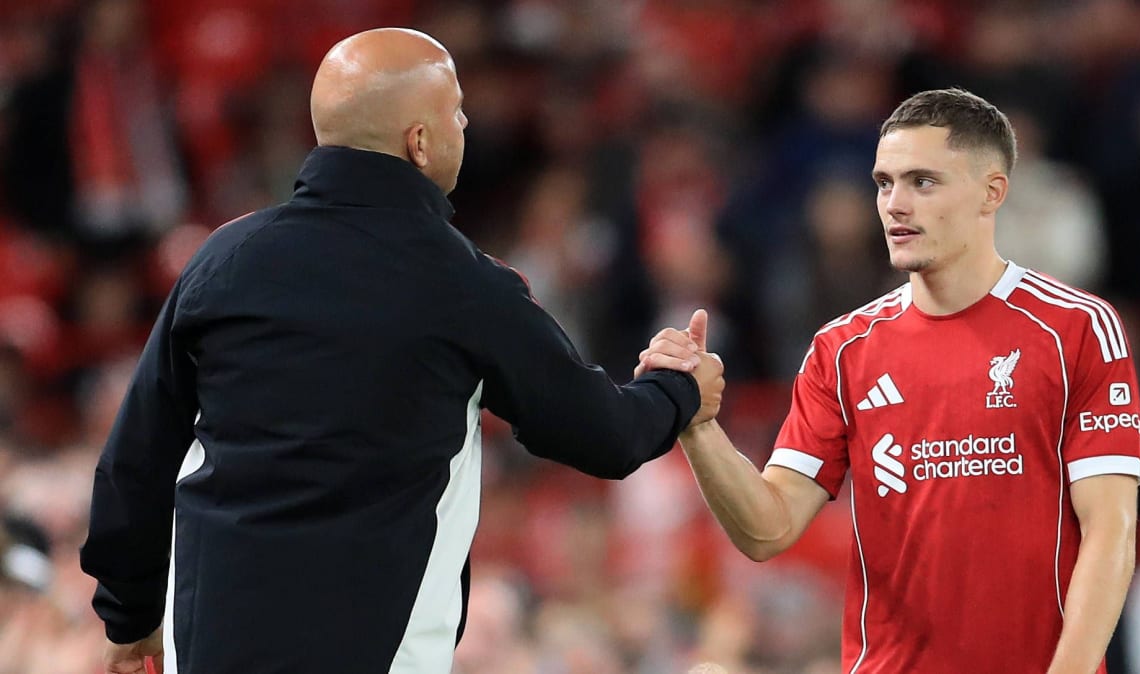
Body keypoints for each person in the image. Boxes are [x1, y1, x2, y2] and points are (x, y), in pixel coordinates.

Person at [79, 28, 724, 674]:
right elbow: (603, 434)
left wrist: (129, 616)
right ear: (419, 142)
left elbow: (136, 460)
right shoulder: (463, 284)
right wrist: (679, 388)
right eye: (456, 110)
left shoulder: (223, 261)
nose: (465, 124)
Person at [639, 89, 1140, 673]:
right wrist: (699, 424)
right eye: (884, 183)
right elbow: (768, 529)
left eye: (922, 182)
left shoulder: (1075, 328)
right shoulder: (843, 349)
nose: (895, 204)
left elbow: (1110, 528)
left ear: (992, 192)